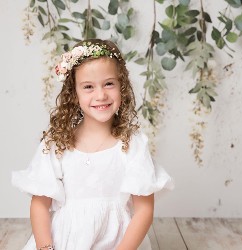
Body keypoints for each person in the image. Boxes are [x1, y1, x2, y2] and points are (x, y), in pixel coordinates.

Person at [12, 38, 174, 250]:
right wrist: (45, 248)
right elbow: (40, 204)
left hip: (119, 243)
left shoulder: (132, 143)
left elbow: (144, 211)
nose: (101, 95)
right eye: (88, 87)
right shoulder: (57, 143)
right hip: (65, 242)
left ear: (121, 86)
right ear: (74, 93)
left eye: (109, 83)